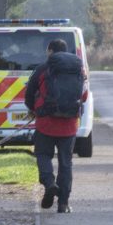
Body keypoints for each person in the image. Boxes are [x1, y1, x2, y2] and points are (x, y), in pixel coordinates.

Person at [25, 38, 84, 214]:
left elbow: (29, 93)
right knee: (66, 163)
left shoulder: (43, 69)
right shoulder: (77, 69)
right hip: (69, 124)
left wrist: (33, 109)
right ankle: (63, 204)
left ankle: (50, 184)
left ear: (50, 51)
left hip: (46, 123)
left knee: (43, 155)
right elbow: (83, 94)